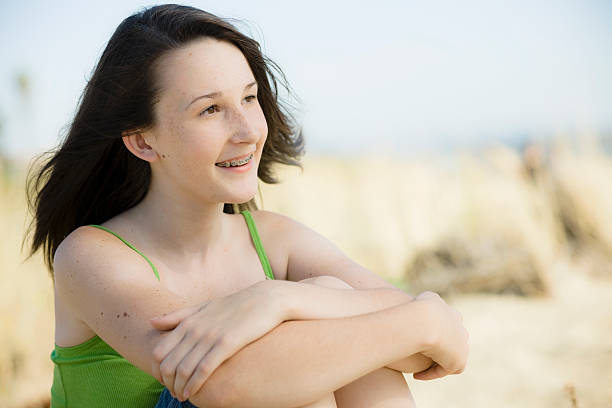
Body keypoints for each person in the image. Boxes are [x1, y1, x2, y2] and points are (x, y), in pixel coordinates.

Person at [25, 4, 469, 407]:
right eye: (210, 110)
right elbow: (222, 386)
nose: (248, 131)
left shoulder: (276, 240)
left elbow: (426, 350)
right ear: (143, 140)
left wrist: (280, 298)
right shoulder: (91, 256)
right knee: (316, 331)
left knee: (338, 319)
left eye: (249, 98)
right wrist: (423, 317)